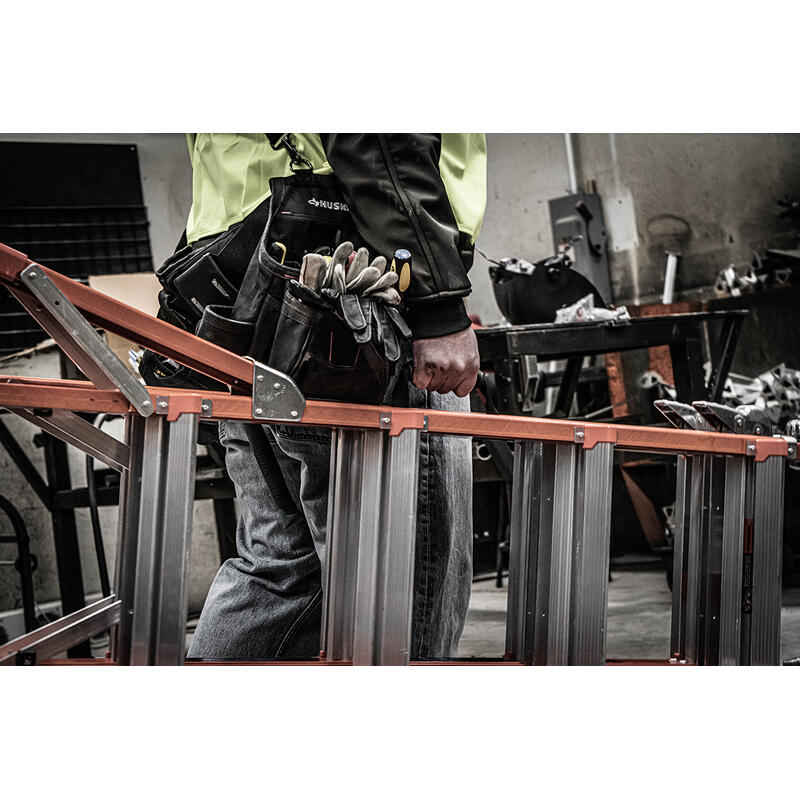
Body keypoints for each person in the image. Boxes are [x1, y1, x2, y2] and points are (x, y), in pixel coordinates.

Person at [178, 134, 487, 660]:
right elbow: (377, 136)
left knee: (278, 570)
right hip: (361, 306)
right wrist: (435, 305)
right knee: (400, 576)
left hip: (241, 290)